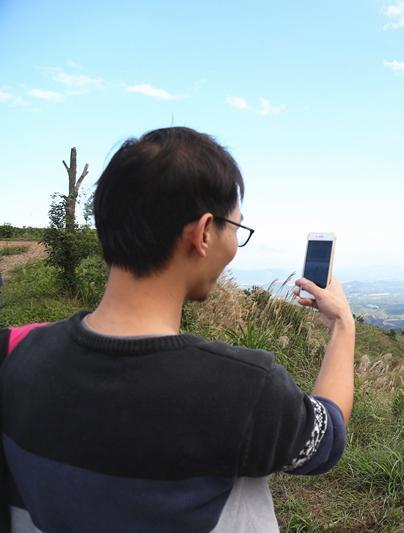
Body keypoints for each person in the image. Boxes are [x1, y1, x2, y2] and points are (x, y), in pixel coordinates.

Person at [0, 127, 355, 532]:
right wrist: (342, 325)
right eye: (236, 228)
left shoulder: (14, 351)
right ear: (204, 232)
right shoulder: (244, 389)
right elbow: (327, 439)